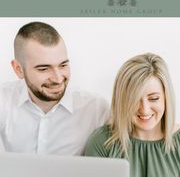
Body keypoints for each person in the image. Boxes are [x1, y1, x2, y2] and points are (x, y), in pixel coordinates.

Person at [0, 21, 109, 155]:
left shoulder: (97, 109)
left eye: (63, 65)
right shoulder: (3, 100)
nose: (58, 79)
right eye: (44, 69)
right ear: (18, 69)